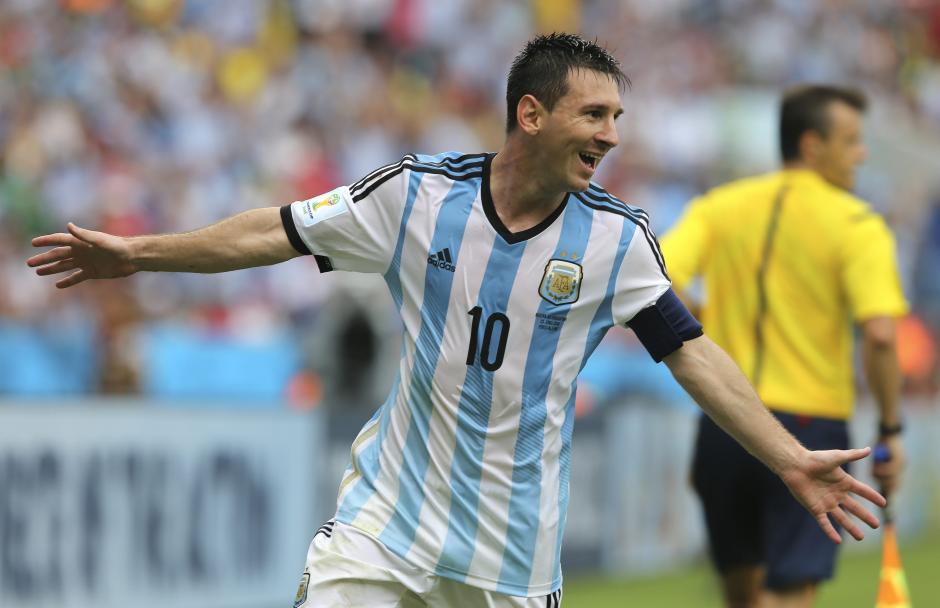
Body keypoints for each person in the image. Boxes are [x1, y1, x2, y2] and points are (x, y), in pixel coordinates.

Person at [28, 35, 887, 608]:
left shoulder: (617, 243)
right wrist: (139, 254)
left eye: (618, 119)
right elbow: (275, 230)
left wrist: (789, 458)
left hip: (508, 563)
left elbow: (690, 353)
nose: (612, 136)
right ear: (531, 113)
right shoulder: (416, 194)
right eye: (596, 115)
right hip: (386, 530)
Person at [660, 85, 907, 608]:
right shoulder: (857, 222)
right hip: (810, 430)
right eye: (851, 140)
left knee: (743, 597)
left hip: (727, 423)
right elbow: (882, 335)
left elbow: (658, 276)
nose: (861, 153)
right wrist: (889, 431)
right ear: (812, 145)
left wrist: (703, 327)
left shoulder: (719, 206)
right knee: (790, 595)